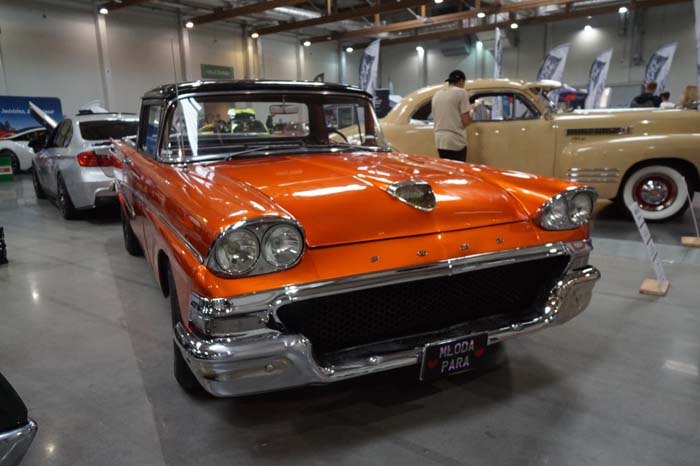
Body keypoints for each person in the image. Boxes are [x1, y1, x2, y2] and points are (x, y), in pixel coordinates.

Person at [431, 70, 479, 162]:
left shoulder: (437, 94)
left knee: (446, 167)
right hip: (455, 141)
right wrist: (472, 110)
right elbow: (466, 121)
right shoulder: (461, 92)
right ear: (461, 81)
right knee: (457, 168)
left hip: (440, 140)